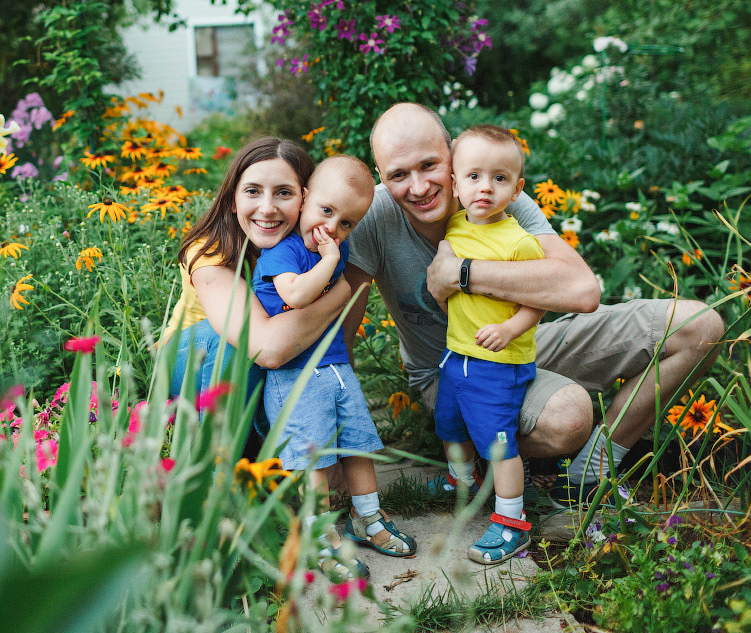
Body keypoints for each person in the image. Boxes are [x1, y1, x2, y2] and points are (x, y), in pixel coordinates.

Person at [343, 103, 724, 508]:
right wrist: (339, 453)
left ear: (451, 153)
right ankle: (485, 459)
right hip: (450, 370)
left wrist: (463, 273)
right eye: (398, 175)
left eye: (429, 165)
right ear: (380, 175)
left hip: (519, 343)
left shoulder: (494, 194)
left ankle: (593, 468)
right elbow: (341, 339)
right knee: (568, 418)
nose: (419, 187)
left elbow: (582, 291)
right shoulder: (374, 217)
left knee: (699, 326)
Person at [253, 155, 416, 580]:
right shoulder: (282, 251)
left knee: (358, 447)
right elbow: (297, 295)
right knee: (316, 462)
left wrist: (332, 258)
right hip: (296, 376)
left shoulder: (333, 250)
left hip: (337, 369)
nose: (331, 228)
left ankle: (369, 518)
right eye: (325, 211)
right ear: (305, 199)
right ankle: (320, 536)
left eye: (346, 223)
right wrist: (330, 259)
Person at [162, 136, 351, 406]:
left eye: (284, 193)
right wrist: (342, 293)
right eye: (252, 191)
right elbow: (268, 350)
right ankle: (215, 433)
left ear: (305, 199)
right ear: (233, 200)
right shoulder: (210, 252)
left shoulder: (316, 245)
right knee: (232, 342)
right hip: (189, 361)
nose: (267, 208)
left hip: (261, 366)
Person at [434, 125, 543, 563]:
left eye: (499, 178)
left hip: (498, 363)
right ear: (455, 185)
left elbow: (538, 300)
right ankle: (462, 482)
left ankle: (512, 522)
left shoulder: (519, 243)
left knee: (499, 445)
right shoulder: (456, 223)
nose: (485, 188)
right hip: (456, 355)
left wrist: (512, 328)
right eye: (474, 176)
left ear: (517, 189)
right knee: (449, 426)